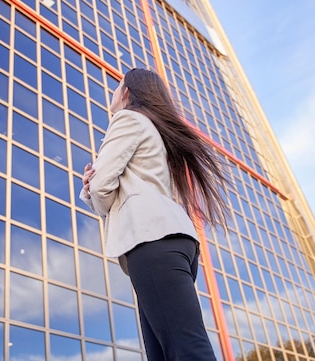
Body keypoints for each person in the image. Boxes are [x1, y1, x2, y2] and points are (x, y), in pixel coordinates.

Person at [80, 68, 228, 361]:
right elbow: (117, 184)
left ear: (126, 92)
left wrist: (93, 189)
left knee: (186, 349)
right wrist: (94, 187)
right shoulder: (157, 133)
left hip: (152, 241)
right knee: (169, 351)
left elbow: (101, 187)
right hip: (172, 241)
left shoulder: (127, 119)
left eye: (117, 85)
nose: (113, 91)